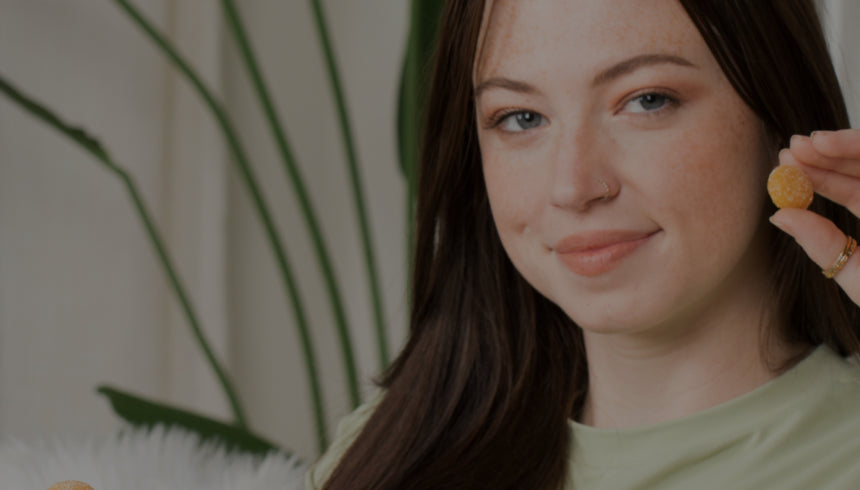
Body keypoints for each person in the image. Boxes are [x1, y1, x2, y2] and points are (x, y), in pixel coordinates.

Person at [306, 1, 860, 488]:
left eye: (647, 101)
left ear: (777, 114)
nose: (573, 187)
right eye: (521, 118)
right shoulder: (387, 452)